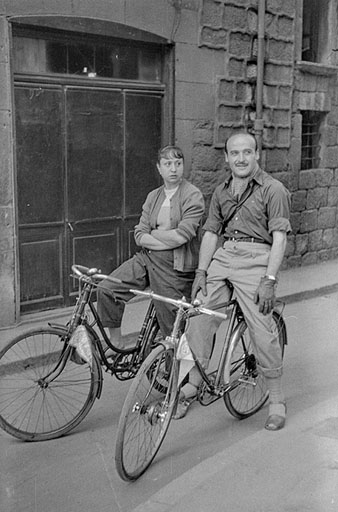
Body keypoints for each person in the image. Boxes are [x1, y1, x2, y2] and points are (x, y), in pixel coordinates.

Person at [174, 132, 291, 430]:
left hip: (257, 257)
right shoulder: (221, 191)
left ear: (256, 155)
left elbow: (279, 238)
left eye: (247, 152)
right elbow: (211, 233)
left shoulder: (273, 189)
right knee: (198, 314)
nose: (241, 158)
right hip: (225, 256)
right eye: (235, 153)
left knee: (261, 327)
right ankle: (196, 381)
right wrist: (201, 272)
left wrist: (269, 279)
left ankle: (276, 399)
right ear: (226, 158)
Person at [97, 145, 205, 352]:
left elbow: (182, 236)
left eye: (178, 164)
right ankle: (117, 342)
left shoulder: (193, 195)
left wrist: (153, 235)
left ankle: (179, 377)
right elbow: (139, 235)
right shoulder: (153, 196)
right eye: (168, 164)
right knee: (107, 289)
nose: (173, 169)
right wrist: (163, 237)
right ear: (159, 168)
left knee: (171, 327)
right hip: (147, 258)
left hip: (175, 266)